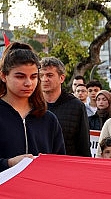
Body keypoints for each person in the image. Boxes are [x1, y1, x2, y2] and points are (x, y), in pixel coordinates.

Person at [0, 42, 65, 171]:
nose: (28, 83)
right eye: (20, 76)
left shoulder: (48, 119)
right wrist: (8, 163)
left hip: (40, 189)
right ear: (3, 76)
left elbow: (60, 163)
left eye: (34, 76)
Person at [39, 56, 91, 157]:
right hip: (37, 166)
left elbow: (83, 145)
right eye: (41, 75)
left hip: (67, 166)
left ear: (61, 78)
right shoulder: (31, 104)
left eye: (50, 75)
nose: (44, 79)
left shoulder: (76, 106)